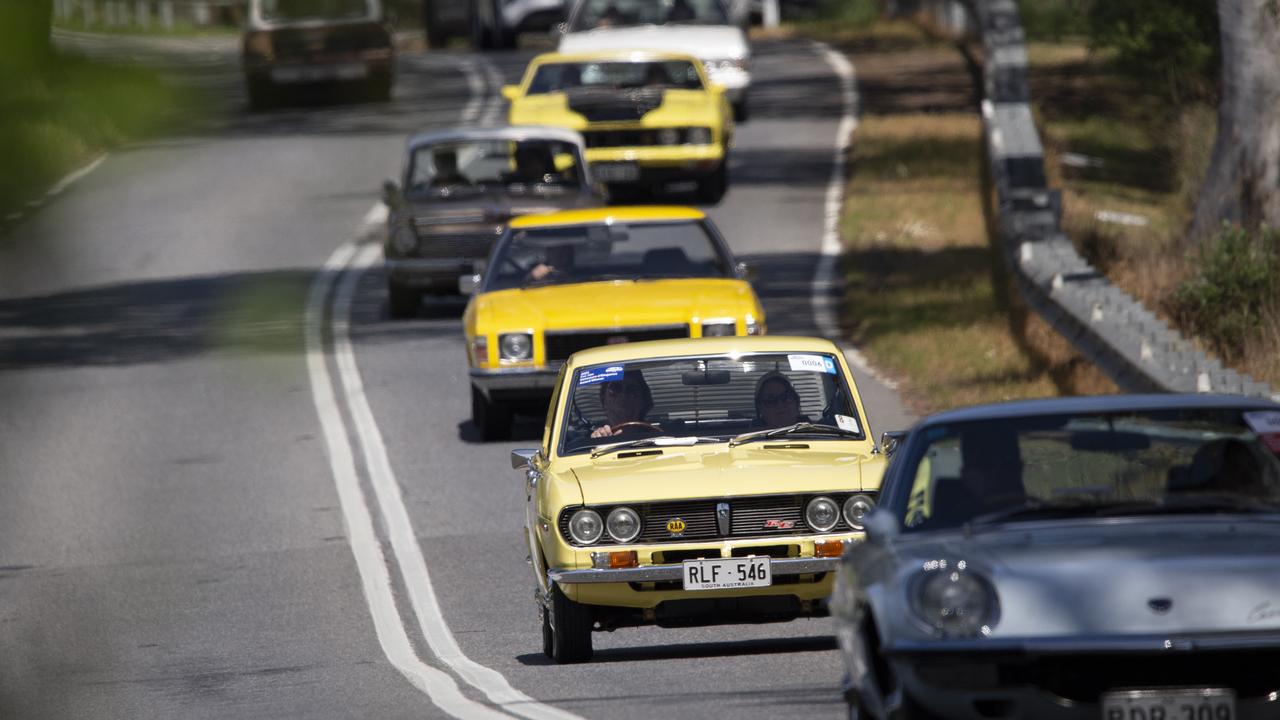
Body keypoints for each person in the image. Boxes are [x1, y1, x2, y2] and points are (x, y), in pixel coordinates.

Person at [591, 369, 655, 438]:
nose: (623, 396)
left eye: (631, 390)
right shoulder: (594, 439)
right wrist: (598, 441)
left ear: (643, 400)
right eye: (615, 388)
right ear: (604, 399)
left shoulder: (657, 437)